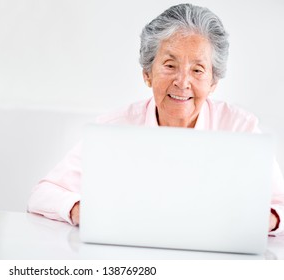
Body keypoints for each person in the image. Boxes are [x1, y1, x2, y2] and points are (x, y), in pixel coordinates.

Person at [27, 3, 284, 235]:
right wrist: (82, 210)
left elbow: (280, 205)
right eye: (170, 65)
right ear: (147, 74)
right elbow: (42, 195)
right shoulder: (114, 128)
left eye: (197, 70)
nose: (182, 82)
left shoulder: (241, 128)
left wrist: (266, 219)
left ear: (213, 82)